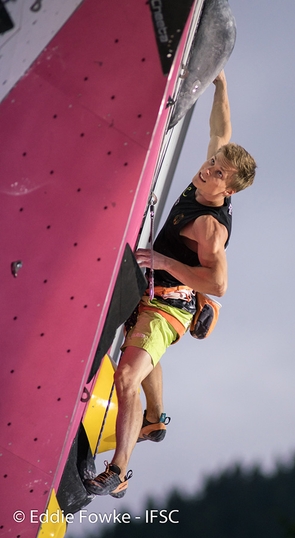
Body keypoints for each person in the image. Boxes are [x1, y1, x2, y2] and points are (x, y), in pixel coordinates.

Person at [84, 70, 257, 499]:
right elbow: (222, 129)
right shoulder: (210, 177)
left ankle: (119, 471)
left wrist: (163, 260)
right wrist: (220, 84)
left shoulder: (209, 228)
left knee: (127, 375)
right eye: (211, 164)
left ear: (229, 188)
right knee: (143, 356)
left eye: (217, 172)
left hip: (169, 306)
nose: (207, 169)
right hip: (153, 293)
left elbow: (219, 283)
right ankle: (155, 419)